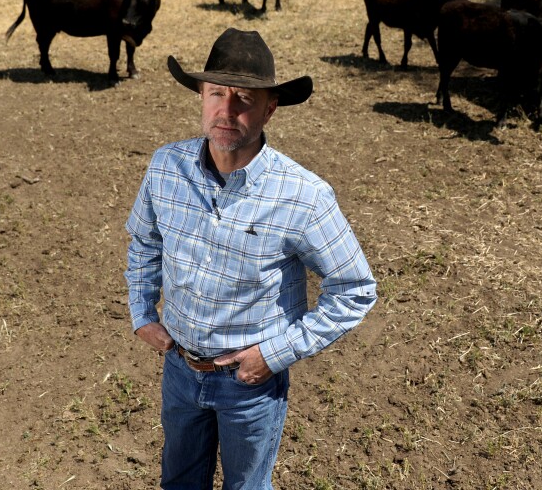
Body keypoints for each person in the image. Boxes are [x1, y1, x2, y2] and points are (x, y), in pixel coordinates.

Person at [125, 27, 377, 489]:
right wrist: (142, 313)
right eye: (216, 93)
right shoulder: (166, 166)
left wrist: (276, 354)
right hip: (179, 368)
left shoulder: (304, 195)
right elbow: (145, 242)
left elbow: (355, 288)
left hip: (249, 383)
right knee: (178, 481)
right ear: (200, 96)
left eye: (243, 97)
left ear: (270, 107)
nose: (227, 110)